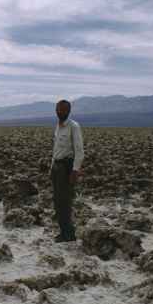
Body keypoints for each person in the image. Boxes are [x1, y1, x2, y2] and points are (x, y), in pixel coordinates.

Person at [49, 99, 84, 243]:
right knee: (58, 201)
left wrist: (75, 171)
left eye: (63, 109)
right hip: (57, 167)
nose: (60, 112)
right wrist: (52, 168)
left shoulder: (73, 126)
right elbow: (56, 150)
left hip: (66, 167)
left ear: (68, 111)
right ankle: (64, 231)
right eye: (58, 109)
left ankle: (69, 234)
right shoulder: (58, 127)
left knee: (65, 202)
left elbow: (79, 151)